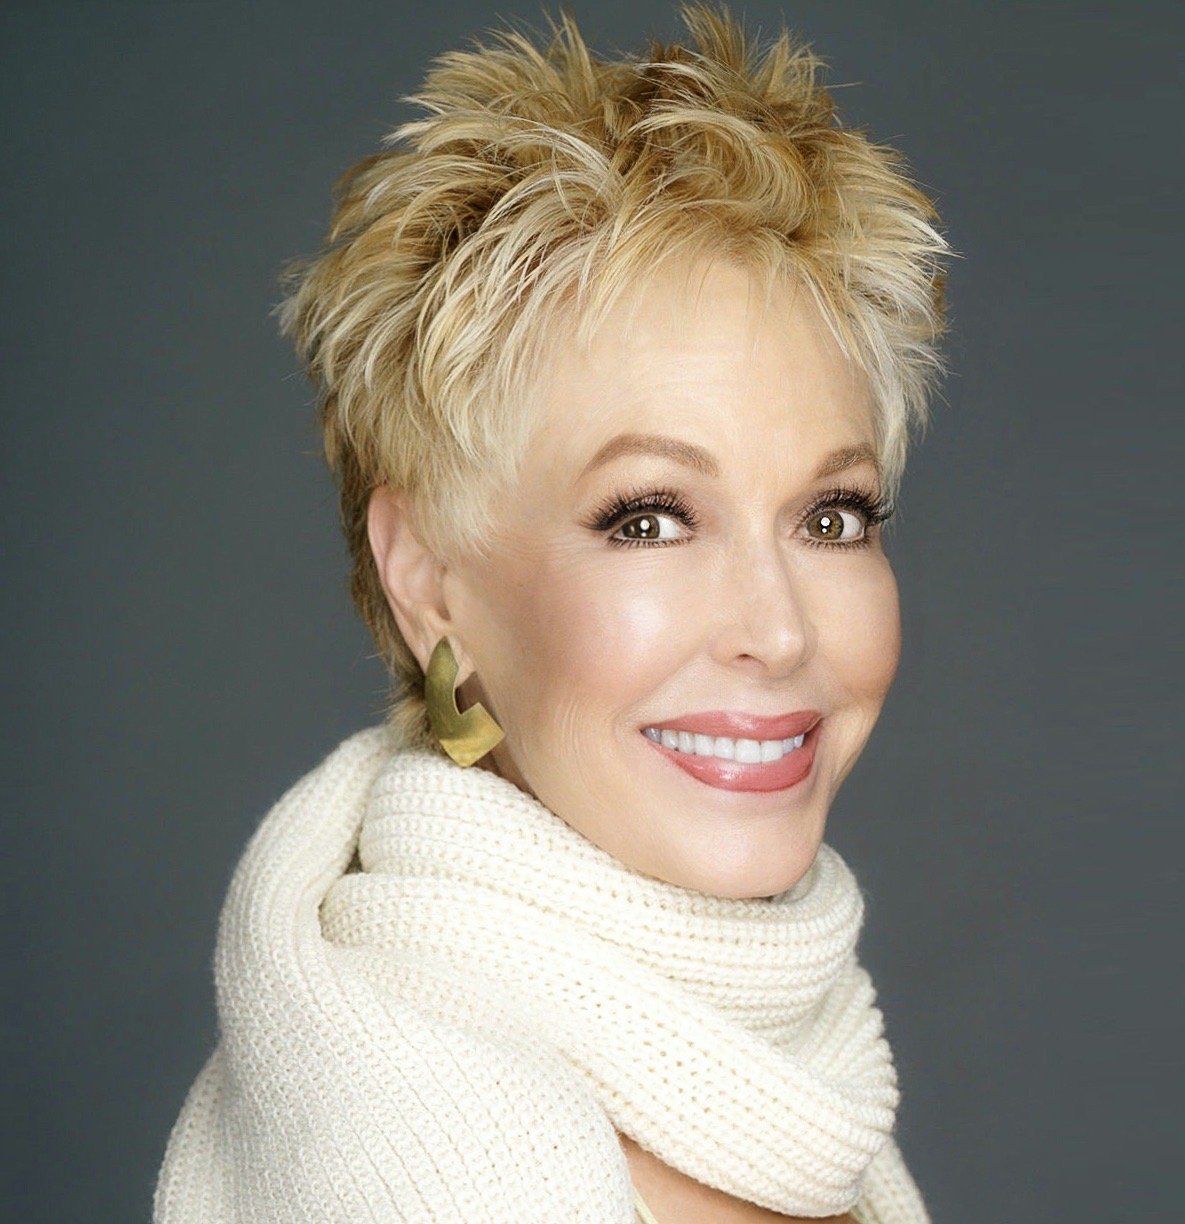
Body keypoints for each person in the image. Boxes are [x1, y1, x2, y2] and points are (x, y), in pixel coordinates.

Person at [153, 4, 950, 1221]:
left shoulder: (794, 1089)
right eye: (649, 517)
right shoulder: (435, 1174)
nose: (778, 630)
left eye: (831, 516)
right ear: (429, 581)